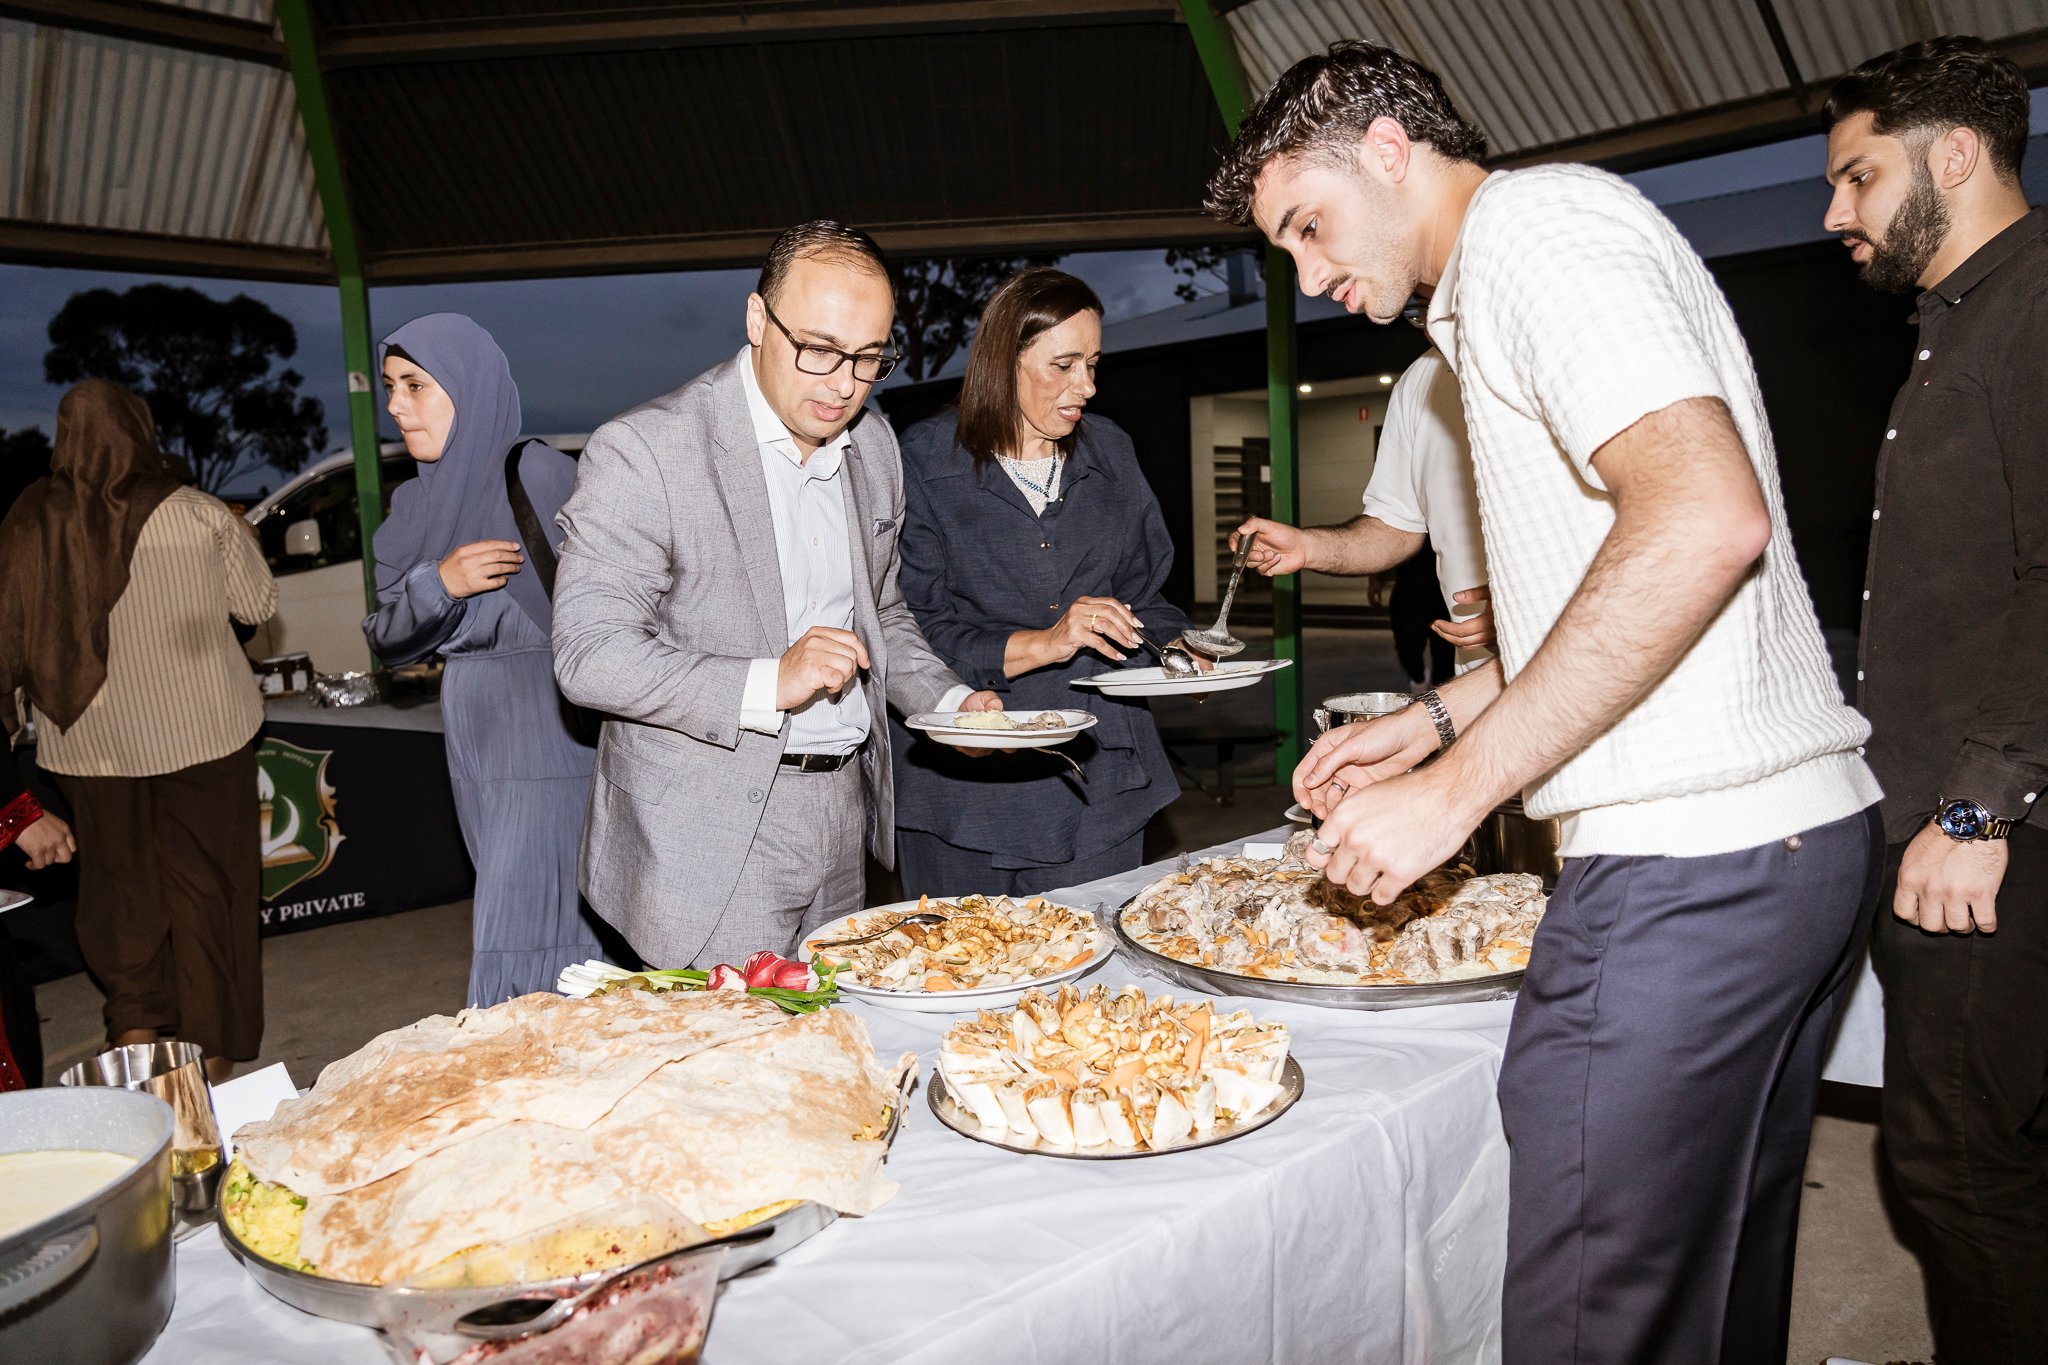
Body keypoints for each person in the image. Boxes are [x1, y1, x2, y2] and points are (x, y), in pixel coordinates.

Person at [1205, 41, 1882, 1363]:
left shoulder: (1534, 232)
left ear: (1390, 154)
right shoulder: (1503, 285)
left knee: (1594, 1324)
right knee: (1711, 1292)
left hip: (1691, 869)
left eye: (1309, 226)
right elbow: (1625, 596)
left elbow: (1703, 522)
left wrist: (1457, 795)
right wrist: (1443, 719)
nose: (1309, 276)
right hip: (1782, 847)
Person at [553, 222, 999, 970]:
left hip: (842, 814)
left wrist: (949, 704)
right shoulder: (649, 451)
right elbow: (588, 654)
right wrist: (772, 681)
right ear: (757, 320)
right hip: (705, 834)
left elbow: (881, 615)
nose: (843, 383)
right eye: (819, 349)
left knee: (828, 1061)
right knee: (727, 1073)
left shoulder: (875, 447)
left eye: (869, 357)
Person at [1823, 37, 2048, 1361]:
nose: (1836, 214)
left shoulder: (2034, 307)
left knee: (1957, 1163)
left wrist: (1976, 805)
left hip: (1992, 828)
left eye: (1859, 177)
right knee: (1992, 1151)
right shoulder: (1960, 323)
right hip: (1967, 802)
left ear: (1953, 156)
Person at [0, 379, 275, 1085]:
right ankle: (210, 1065)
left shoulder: (29, 520)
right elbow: (255, 604)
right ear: (140, 430)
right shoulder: (195, 513)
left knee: (120, 895)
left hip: (87, 745)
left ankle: (134, 1033)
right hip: (204, 736)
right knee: (209, 892)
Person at [891, 267, 1194, 896]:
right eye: (1063, 365)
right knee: (964, 972)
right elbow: (910, 627)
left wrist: (1179, 651)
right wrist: (1045, 642)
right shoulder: (923, 461)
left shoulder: (1110, 450)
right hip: (964, 788)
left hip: (1100, 773)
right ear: (1004, 363)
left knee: (1091, 970)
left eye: (1093, 362)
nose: (1086, 385)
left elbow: (1146, 594)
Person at [364, 313, 607, 1008]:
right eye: (389, 387)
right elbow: (386, 636)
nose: (395, 406)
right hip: (475, 741)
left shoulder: (538, 473)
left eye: (415, 384)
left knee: (529, 918)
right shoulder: (414, 508)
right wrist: (439, 582)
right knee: (521, 904)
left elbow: (619, 596)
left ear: (469, 388)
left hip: (549, 726)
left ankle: (537, 1066)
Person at [1234, 347, 1493, 682]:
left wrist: (1534, 611)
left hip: (1564, 673)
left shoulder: (1548, 336)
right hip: (1477, 683)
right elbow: (1394, 527)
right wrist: (1307, 546)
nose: (1312, 291)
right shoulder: (1419, 379)